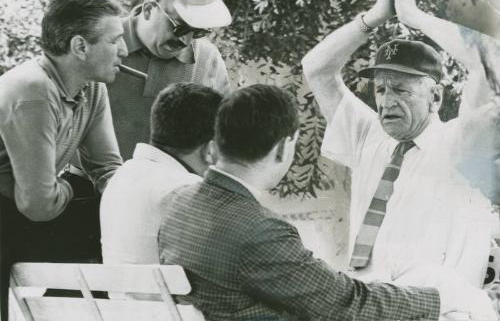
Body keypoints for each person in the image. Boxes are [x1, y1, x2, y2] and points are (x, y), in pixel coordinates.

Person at [157, 84, 494, 321]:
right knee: (455, 304)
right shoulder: (258, 230)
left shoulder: (179, 204)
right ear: (283, 148)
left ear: (217, 142)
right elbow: (347, 306)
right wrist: (437, 300)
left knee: (434, 279)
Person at [302, 0, 497, 319]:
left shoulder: (464, 143)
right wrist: (375, 17)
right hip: (366, 304)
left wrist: (413, 16)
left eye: (402, 90)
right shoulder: (369, 135)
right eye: (381, 89)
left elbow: (488, 56)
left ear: (436, 95)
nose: (386, 102)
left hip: (436, 311)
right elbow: (316, 69)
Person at [0, 0, 126, 319]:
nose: (124, 51)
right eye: (115, 41)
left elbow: (107, 168)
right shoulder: (34, 90)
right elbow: (38, 205)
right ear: (80, 47)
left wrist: (128, 199)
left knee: (109, 222)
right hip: (11, 216)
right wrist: (75, 187)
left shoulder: (92, 87)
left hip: (17, 213)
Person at [108, 0, 232, 160]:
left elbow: (222, 131)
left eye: (198, 32)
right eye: (179, 27)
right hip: (93, 185)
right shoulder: (103, 43)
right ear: (149, 9)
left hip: (173, 187)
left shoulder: (208, 59)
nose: (186, 40)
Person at [100, 83, 222, 265]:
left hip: (120, 293)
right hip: (166, 293)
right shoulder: (187, 188)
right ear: (209, 150)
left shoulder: (122, 174)